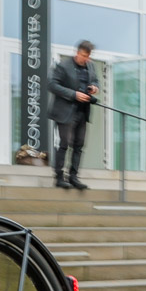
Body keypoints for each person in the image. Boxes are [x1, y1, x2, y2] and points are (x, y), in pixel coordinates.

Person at [48, 40, 97, 190]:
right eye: (83, 55)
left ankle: (74, 176)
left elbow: (95, 81)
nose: (86, 59)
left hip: (82, 111)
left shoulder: (91, 66)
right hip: (65, 111)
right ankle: (59, 177)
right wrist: (73, 94)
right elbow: (52, 85)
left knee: (79, 145)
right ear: (77, 52)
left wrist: (95, 87)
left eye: (88, 56)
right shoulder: (63, 65)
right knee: (64, 143)